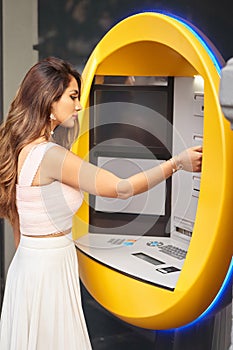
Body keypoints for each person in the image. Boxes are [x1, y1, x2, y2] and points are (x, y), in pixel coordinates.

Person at [0, 56, 202, 349]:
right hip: (48, 270)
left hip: (29, 268)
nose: (80, 105)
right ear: (48, 101)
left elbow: (19, 230)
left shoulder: (19, 148)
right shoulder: (50, 155)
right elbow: (120, 188)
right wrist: (176, 163)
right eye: (73, 96)